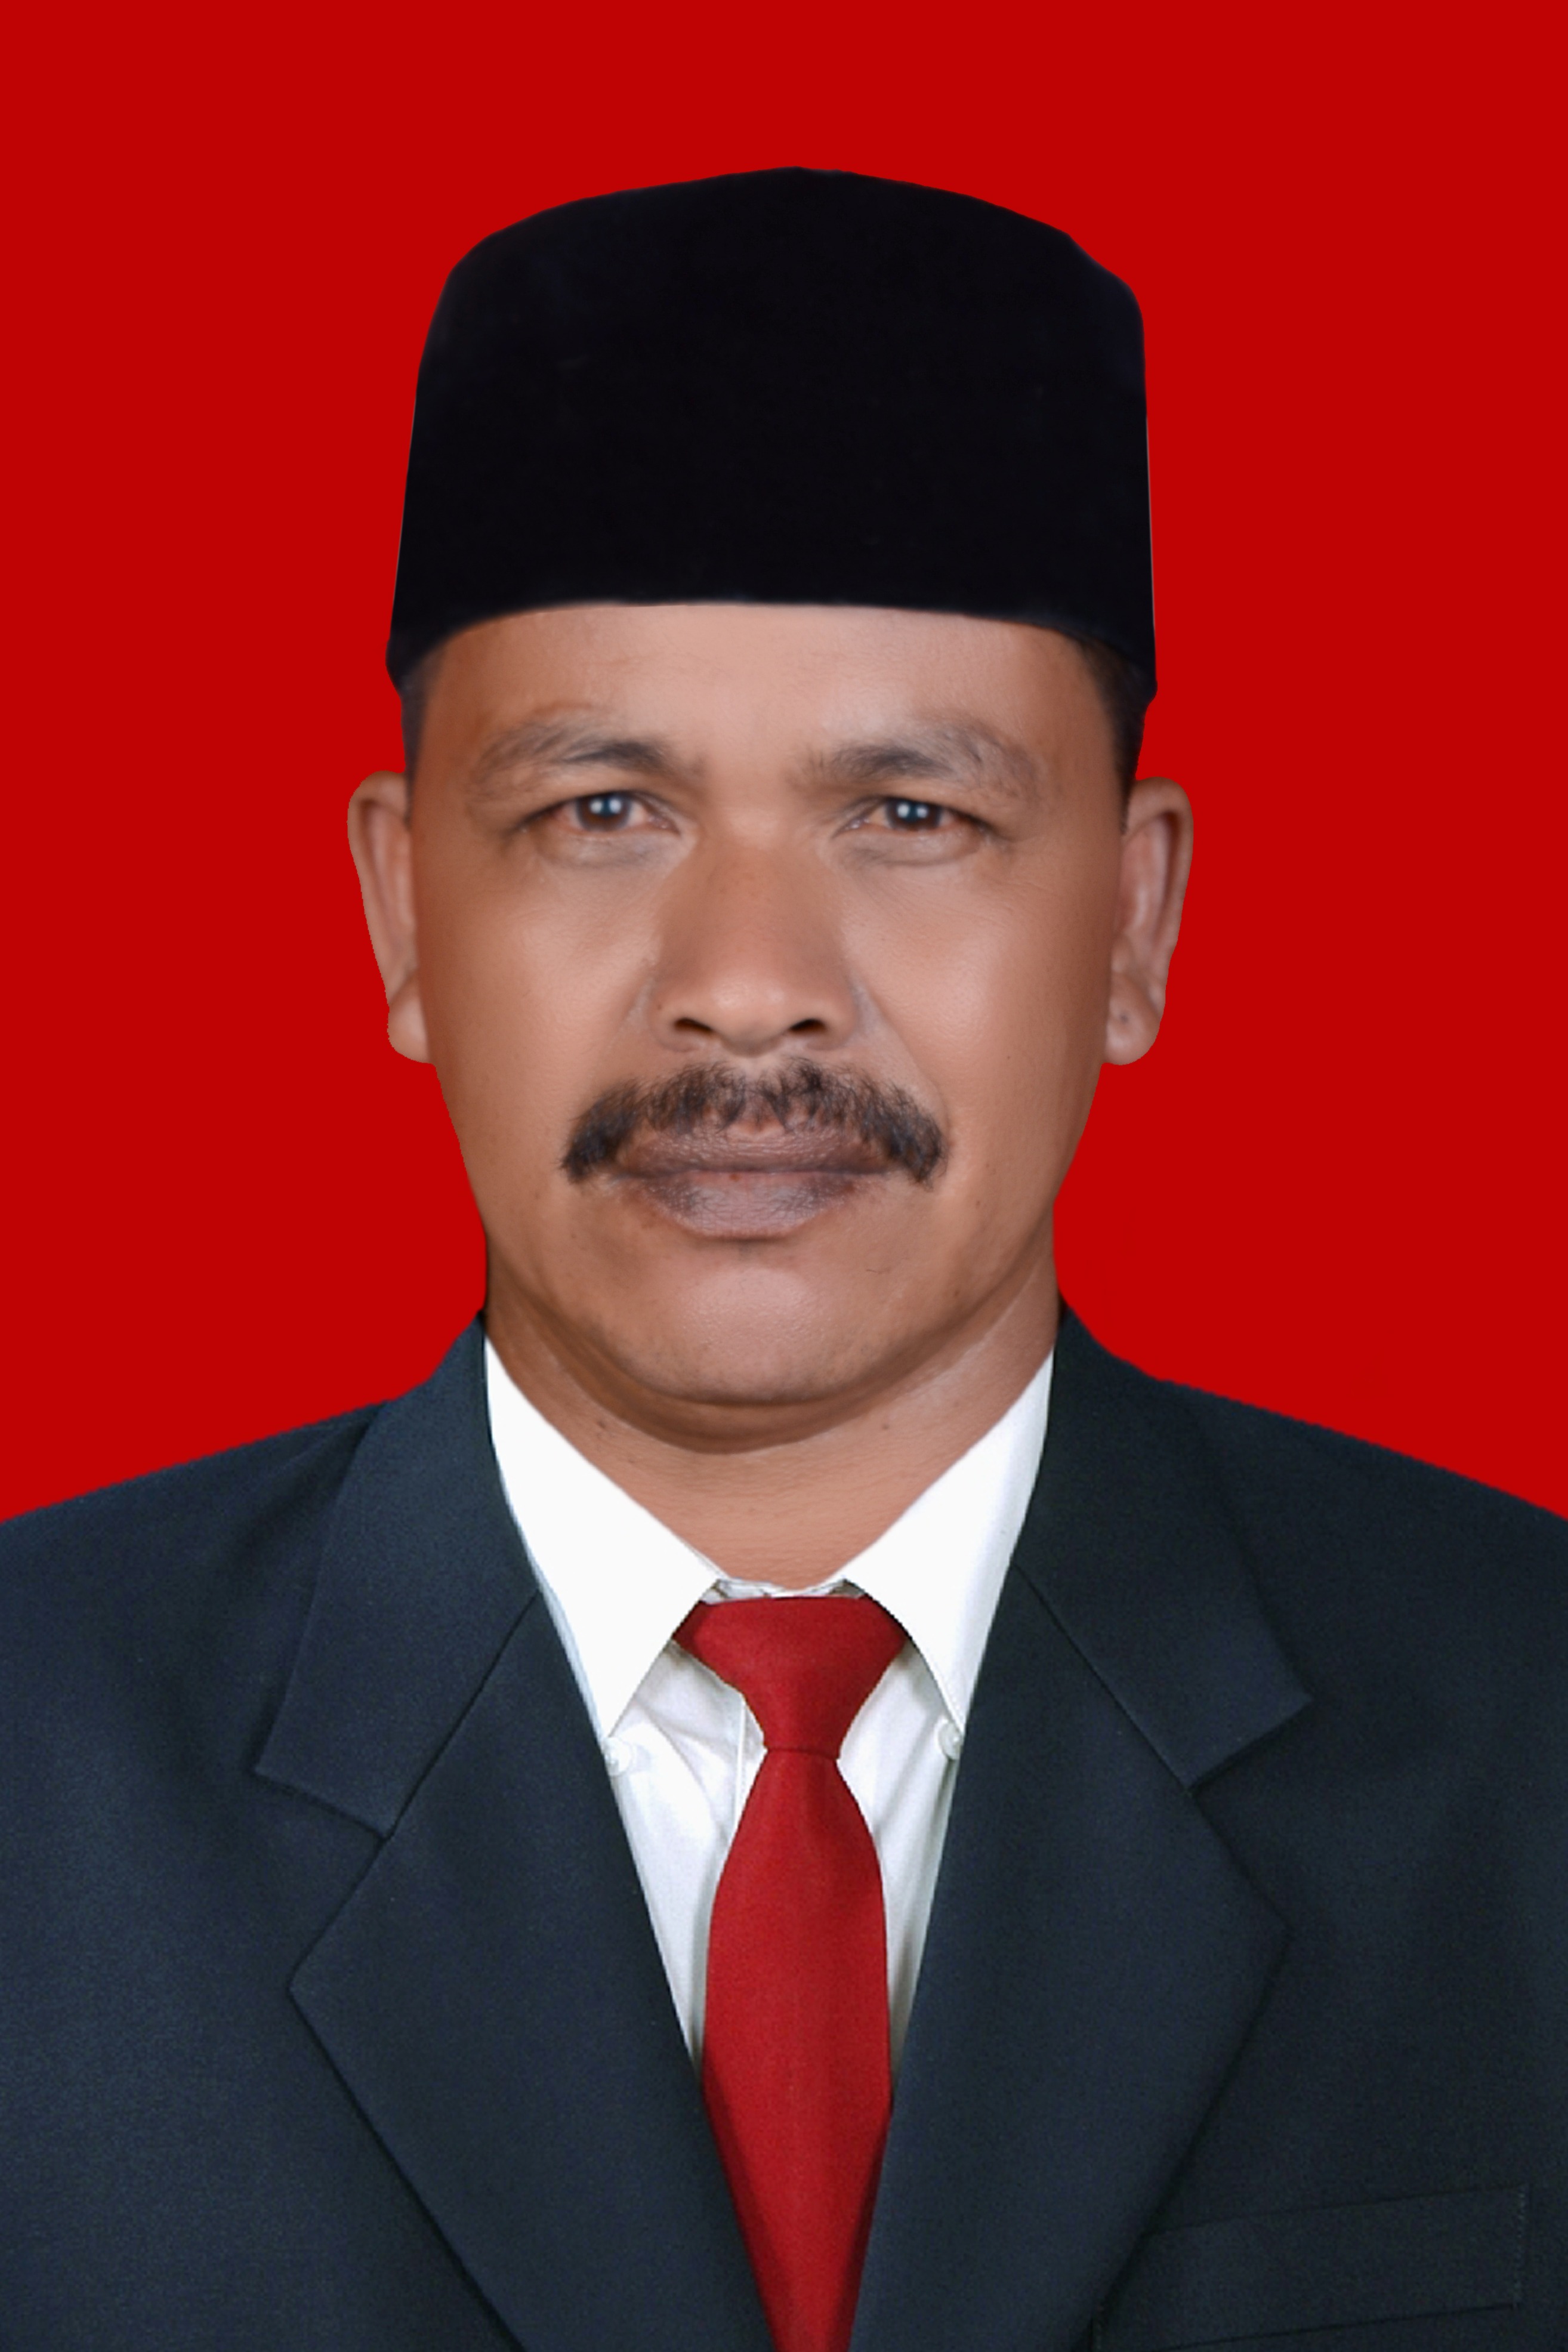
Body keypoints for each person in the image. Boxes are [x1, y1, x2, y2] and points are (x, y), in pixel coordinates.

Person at [2, 168, 1563, 2352]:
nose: (748, 988)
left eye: (910, 815)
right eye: (601, 813)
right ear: (400, 911)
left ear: (1132, 921)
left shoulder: (1526, 1731)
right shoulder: (37, 1753)